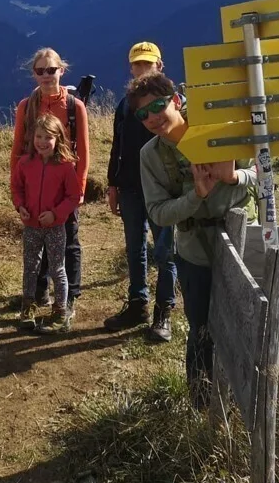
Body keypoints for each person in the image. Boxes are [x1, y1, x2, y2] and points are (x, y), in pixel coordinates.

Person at [130, 71, 257, 409]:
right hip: (194, 250)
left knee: (249, 322)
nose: (153, 118)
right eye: (143, 114)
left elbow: (263, 174)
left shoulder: (217, 127)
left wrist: (234, 176)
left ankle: (248, 401)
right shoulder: (151, 155)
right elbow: (157, 213)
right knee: (202, 329)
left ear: (175, 100)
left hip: (245, 241)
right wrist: (195, 196)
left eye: (157, 107)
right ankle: (202, 406)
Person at [104, 42, 177, 342]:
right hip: (132, 187)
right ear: (131, 68)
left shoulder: (173, 103)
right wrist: (113, 184)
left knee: (165, 251)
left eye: (148, 64)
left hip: (163, 189)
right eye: (137, 64)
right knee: (135, 249)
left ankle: (164, 313)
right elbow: (117, 146)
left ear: (160, 66)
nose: (142, 69)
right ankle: (138, 305)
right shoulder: (125, 105)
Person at [10, 47, 90, 319]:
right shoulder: (26, 106)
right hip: (34, 182)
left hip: (65, 185)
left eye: (51, 70)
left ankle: (69, 298)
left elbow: (84, 151)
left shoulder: (74, 106)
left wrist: (78, 190)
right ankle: (39, 292)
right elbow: (18, 148)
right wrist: (16, 193)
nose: (46, 75)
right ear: (34, 73)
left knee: (67, 241)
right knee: (38, 235)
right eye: (40, 71)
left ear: (61, 71)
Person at [12, 113, 82, 334]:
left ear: (58, 139)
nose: (42, 142)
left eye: (47, 138)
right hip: (31, 225)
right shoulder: (25, 163)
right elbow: (17, 188)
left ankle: (61, 311)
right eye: (38, 137)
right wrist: (20, 206)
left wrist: (55, 214)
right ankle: (28, 306)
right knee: (30, 267)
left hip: (55, 227)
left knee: (56, 268)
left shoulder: (65, 166)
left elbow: (74, 195)